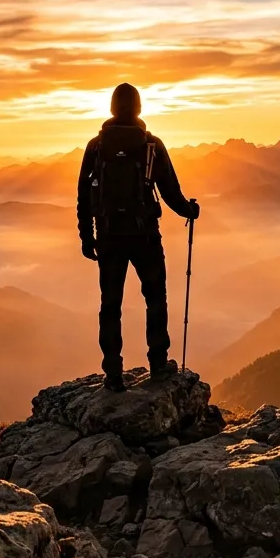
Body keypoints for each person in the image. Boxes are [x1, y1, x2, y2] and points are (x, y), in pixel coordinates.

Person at [77, 83, 200, 392]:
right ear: (139, 108)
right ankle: (158, 364)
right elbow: (170, 191)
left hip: (108, 236)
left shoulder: (96, 147)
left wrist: (87, 237)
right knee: (155, 297)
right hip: (145, 235)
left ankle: (113, 374)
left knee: (110, 305)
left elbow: (83, 195)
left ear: (111, 108)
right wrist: (190, 211)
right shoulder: (151, 146)